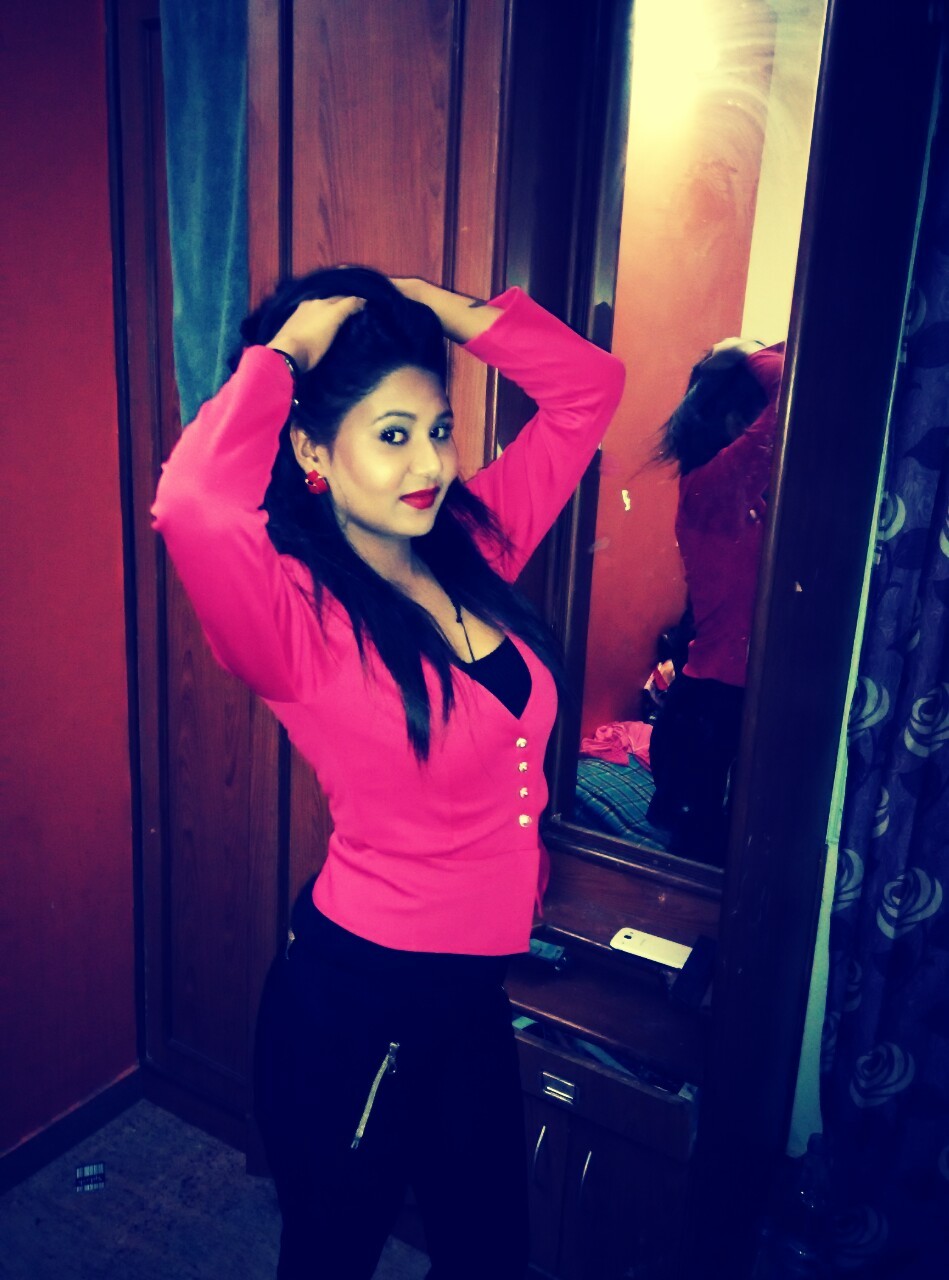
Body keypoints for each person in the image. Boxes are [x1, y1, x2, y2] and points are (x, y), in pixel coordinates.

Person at [151, 265, 625, 1280]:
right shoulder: (290, 616)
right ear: (312, 450)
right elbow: (191, 504)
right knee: (331, 1254)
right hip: (357, 1000)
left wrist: (441, 309)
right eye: (393, 434)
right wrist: (284, 352)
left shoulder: (469, 545)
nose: (431, 464)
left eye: (439, 429)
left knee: (489, 1254)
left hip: (471, 994)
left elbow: (589, 392)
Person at [646, 337, 785, 865]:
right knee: (701, 864)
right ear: (732, 423)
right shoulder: (710, 490)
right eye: (752, 418)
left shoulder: (746, 498)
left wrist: (743, 352)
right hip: (712, 705)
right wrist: (746, 352)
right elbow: (796, 391)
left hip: (731, 696)